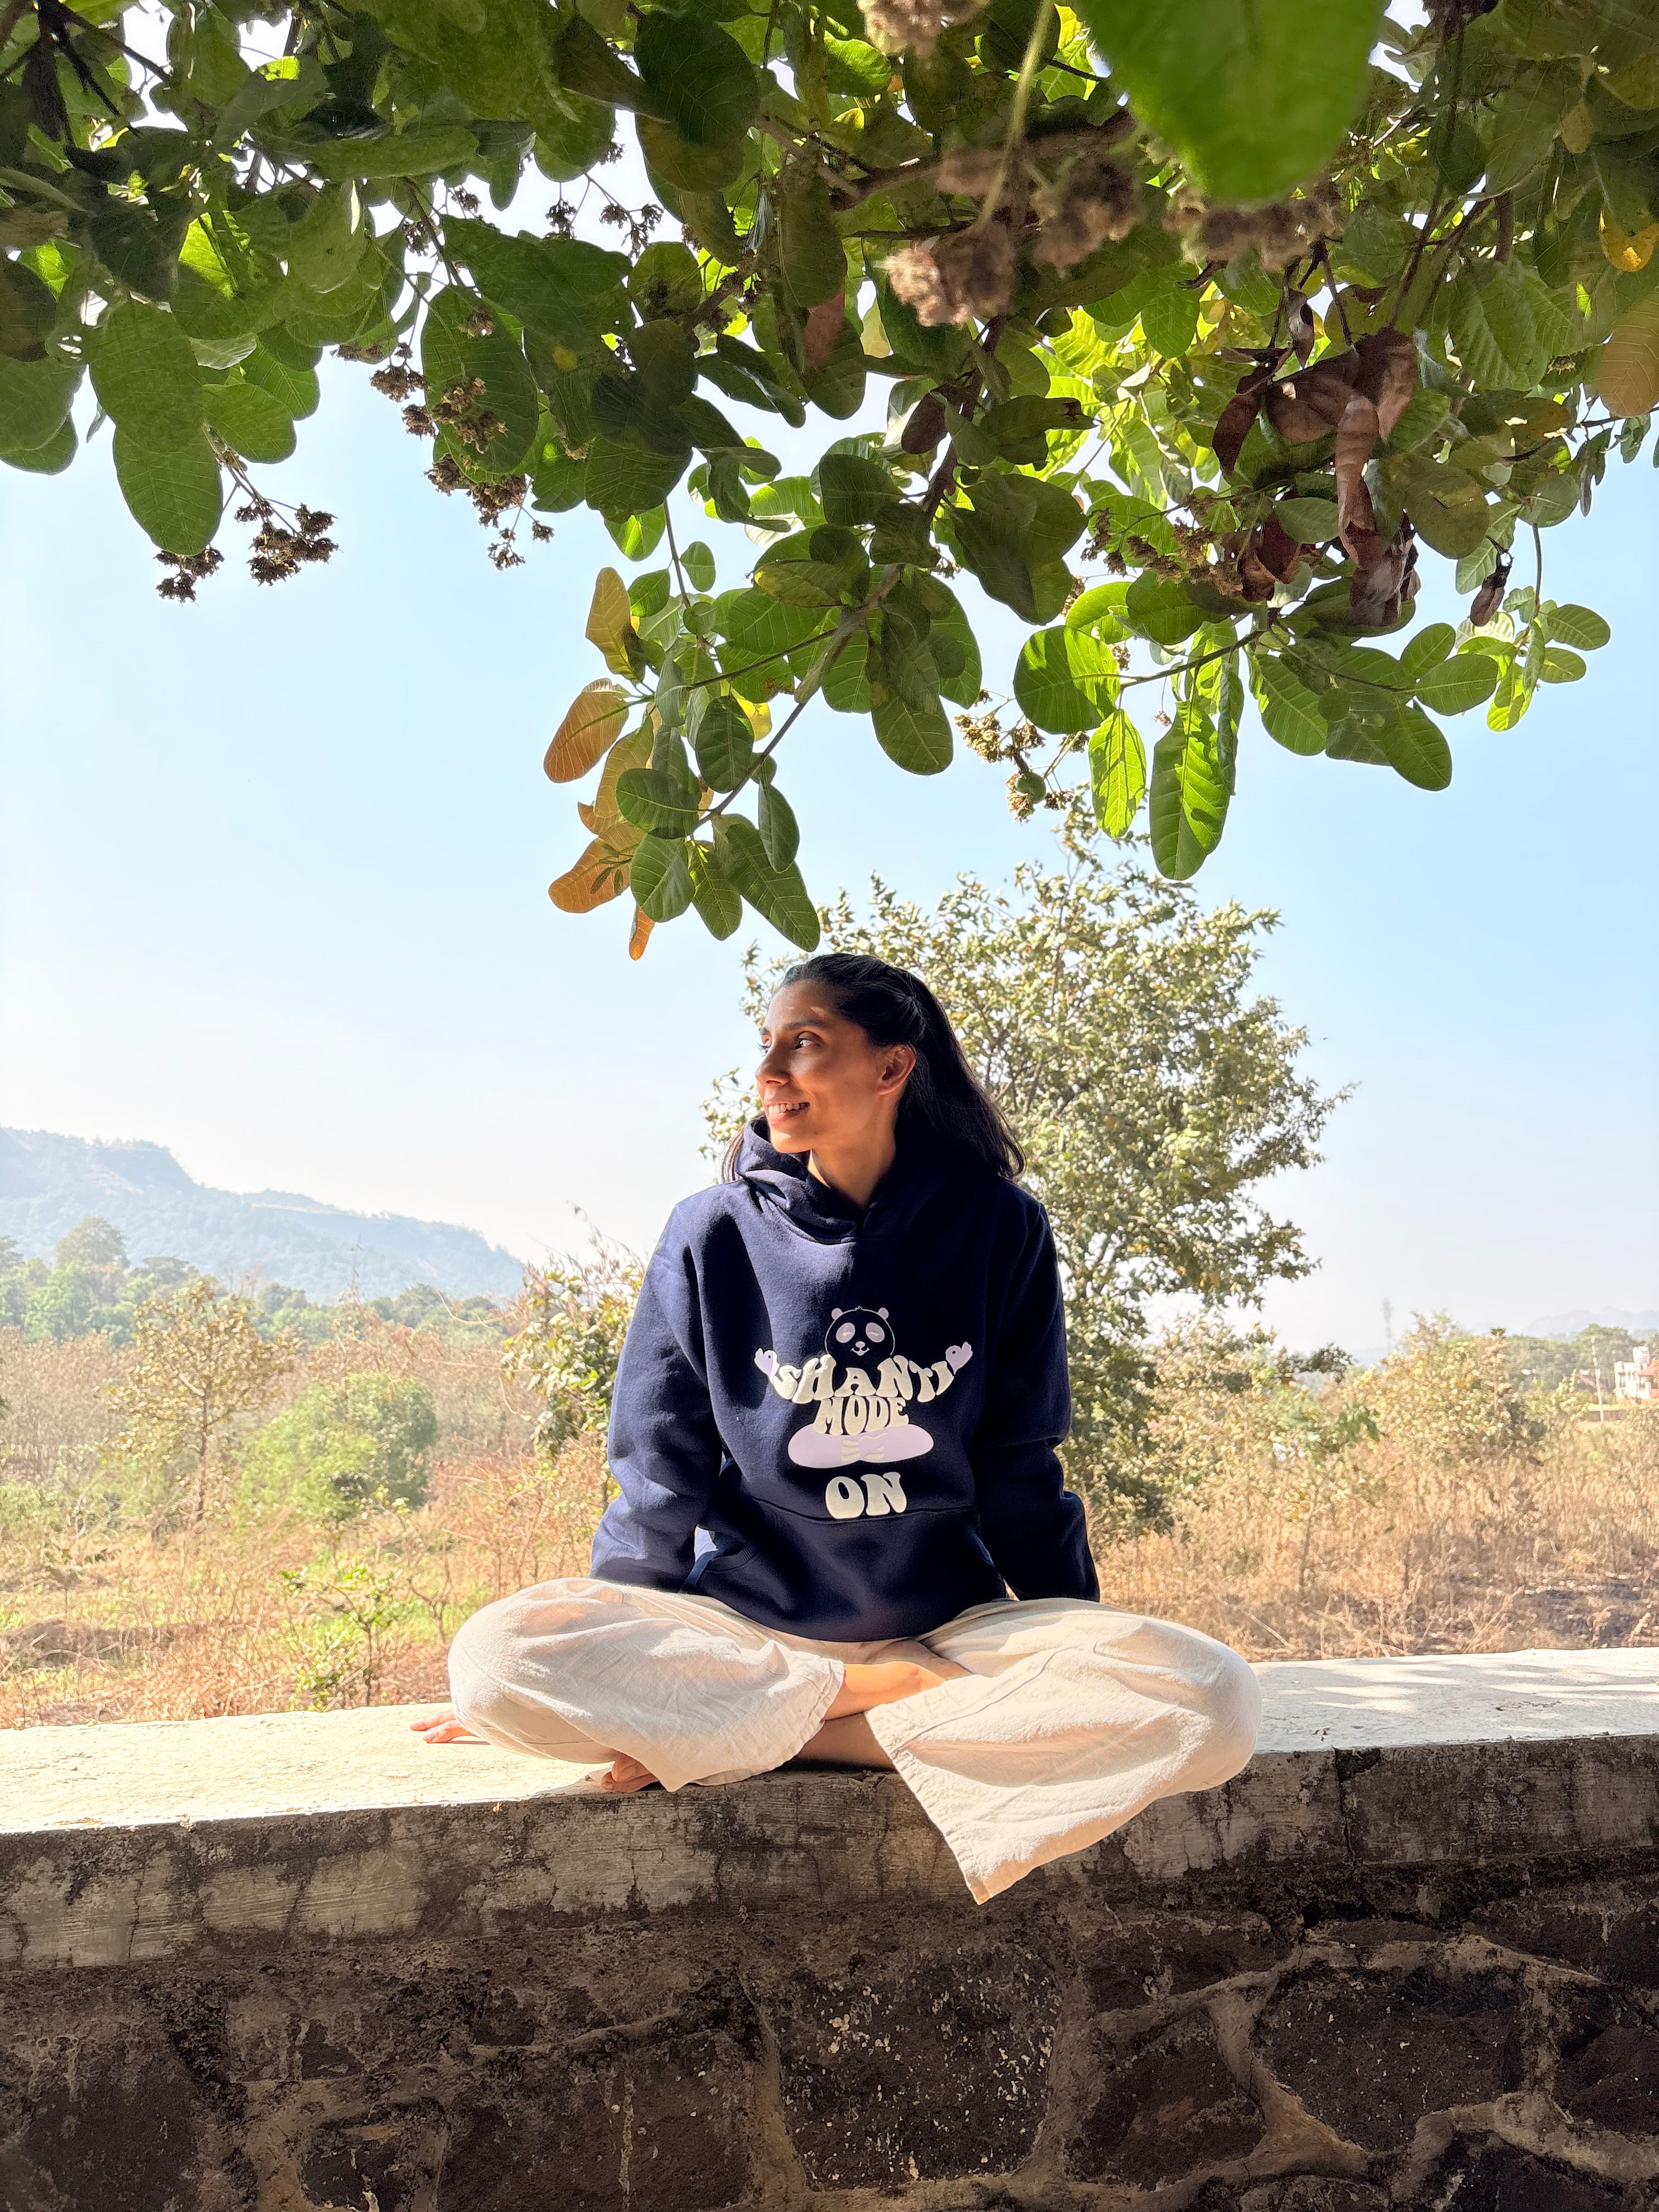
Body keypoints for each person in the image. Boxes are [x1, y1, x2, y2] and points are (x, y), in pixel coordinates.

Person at [414, 953, 1260, 1903]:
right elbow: (659, 1477)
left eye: (804, 1044)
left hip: (946, 1637)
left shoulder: (1001, 1229)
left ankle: (772, 1738)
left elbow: (1023, 1470)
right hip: (753, 1633)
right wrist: (610, 1645)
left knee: (1216, 1700)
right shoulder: (711, 1232)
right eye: (766, 1047)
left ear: (892, 1068)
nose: (770, 1072)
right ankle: (849, 1706)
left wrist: (1080, 1638)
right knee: (494, 1660)